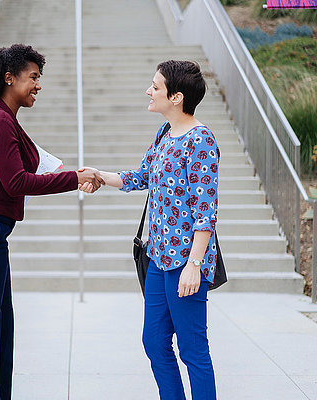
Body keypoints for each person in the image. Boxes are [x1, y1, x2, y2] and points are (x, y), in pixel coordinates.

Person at [0, 44, 104, 400]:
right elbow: (15, 182)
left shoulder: (4, 118)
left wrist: (71, 174)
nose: (38, 85)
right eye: (33, 77)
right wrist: (75, 178)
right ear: (9, 78)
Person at [80, 60, 219, 399]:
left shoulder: (200, 141)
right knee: (154, 342)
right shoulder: (163, 134)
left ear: (177, 97)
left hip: (185, 264)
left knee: (192, 349)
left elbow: (206, 212)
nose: (149, 90)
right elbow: (142, 176)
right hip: (157, 259)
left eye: (155, 86)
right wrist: (100, 175)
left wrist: (194, 265)